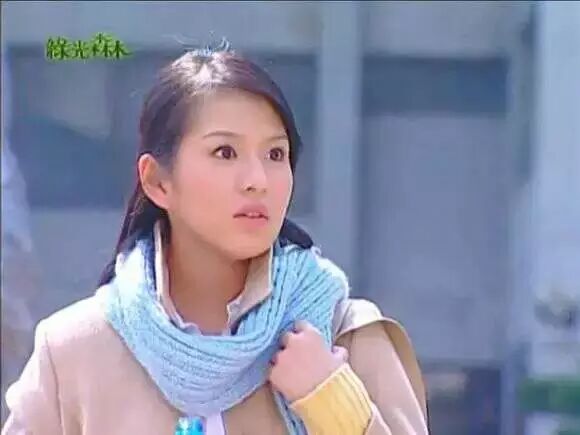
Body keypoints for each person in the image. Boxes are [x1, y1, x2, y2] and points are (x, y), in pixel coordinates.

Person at [1, 46, 429, 435]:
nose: (258, 180)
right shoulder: (75, 352)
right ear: (157, 181)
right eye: (225, 152)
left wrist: (331, 401)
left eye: (275, 154)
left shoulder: (345, 336)